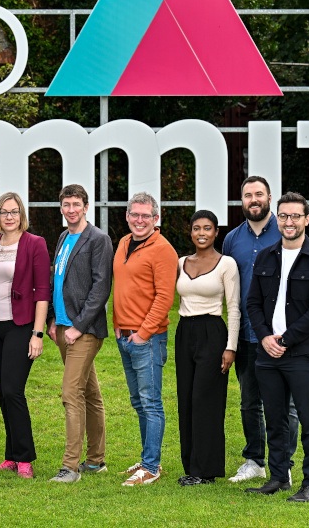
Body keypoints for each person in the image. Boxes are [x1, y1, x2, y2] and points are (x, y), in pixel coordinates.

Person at [245, 192, 309, 503]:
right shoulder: (266, 256)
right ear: (277, 218)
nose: (289, 221)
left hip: (302, 355)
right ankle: (279, 477)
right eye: (283, 216)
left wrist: (285, 340)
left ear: (307, 219)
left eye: (296, 216)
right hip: (267, 355)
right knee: (275, 419)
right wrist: (266, 337)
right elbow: (253, 303)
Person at [223, 176, 299, 483]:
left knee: (285, 404)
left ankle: (285, 463)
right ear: (241, 201)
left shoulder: (286, 234)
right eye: (248, 195)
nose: (253, 199)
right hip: (245, 334)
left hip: (281, 334)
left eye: (259, 194)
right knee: (249, 400)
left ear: (269, 197)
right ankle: (254, 459)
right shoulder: (232, 240)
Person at [0, 192, 49, 479]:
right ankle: (10, 455)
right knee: (2, 393)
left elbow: (42, 292)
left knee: (12, 390)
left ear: (22, 215)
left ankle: (25, 458)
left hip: (21, 326)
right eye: (4, 212)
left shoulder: (34, 244)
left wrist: (37, 333)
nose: (9, 216)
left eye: (14, 212)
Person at [47, 184, 112, 484]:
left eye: (76, 204)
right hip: (62, 327)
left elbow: (101, 288)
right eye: (66, 204)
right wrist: (53, 320)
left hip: (83, 330)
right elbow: (56, 278)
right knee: (90, 394)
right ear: (61, 208)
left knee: (70, 393)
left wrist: (78, 326)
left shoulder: (98, 239)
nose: (71, 209)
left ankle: (70, 468)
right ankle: (96, 461)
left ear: (86, 206)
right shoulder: (63, 237)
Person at [112, 191, 178, 487]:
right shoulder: (125, 242)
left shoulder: (163, 249)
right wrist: (117, 325)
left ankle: (151, 466)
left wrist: (142, 333)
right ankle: (147, 457)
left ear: (156, 218)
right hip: (123, 335)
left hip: (147, 339)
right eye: (134, 214)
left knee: (151, 403)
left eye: (145, 215)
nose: (139, 220)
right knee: (138, 401)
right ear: (127, 216)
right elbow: (122, 287)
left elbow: (165, 297)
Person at [175, 210, 241, 486]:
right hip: (184, 332)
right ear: (190, 232)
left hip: (213, 333)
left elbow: (234, 307)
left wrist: (231, 347)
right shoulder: (179, 262)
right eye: (196, 228)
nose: (201, 233)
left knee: (207, 400)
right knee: (186, 399)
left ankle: (207, 470)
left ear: (216, 233)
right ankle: (191, 467)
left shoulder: (227, 264)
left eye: (208, 228)